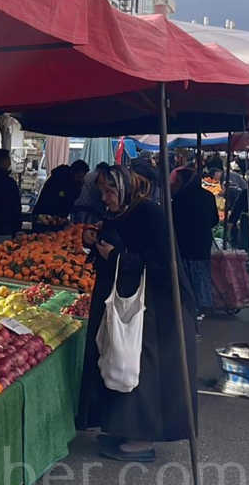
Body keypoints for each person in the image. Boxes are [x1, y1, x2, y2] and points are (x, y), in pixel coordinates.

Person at [78, 165, 197, 462]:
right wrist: (93, 243)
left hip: (154, 311)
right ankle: (123, 428)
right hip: (127, 305)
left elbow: (162, 264)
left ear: (128, 187)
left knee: (141, 370)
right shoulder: (121, 213)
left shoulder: (152, 215)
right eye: (102, 191)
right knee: (119, 362)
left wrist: (117, 257)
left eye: (111, 191)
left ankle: (142, 437)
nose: (105, 198)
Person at [171, 167, 219, 317]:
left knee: (187, 278)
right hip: (202, 243)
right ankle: (203, 304)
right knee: (201, 274)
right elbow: (214, 220)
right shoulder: (208, 196)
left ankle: (191, 307)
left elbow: (173, 222)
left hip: (184, 245)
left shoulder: (179, 199)